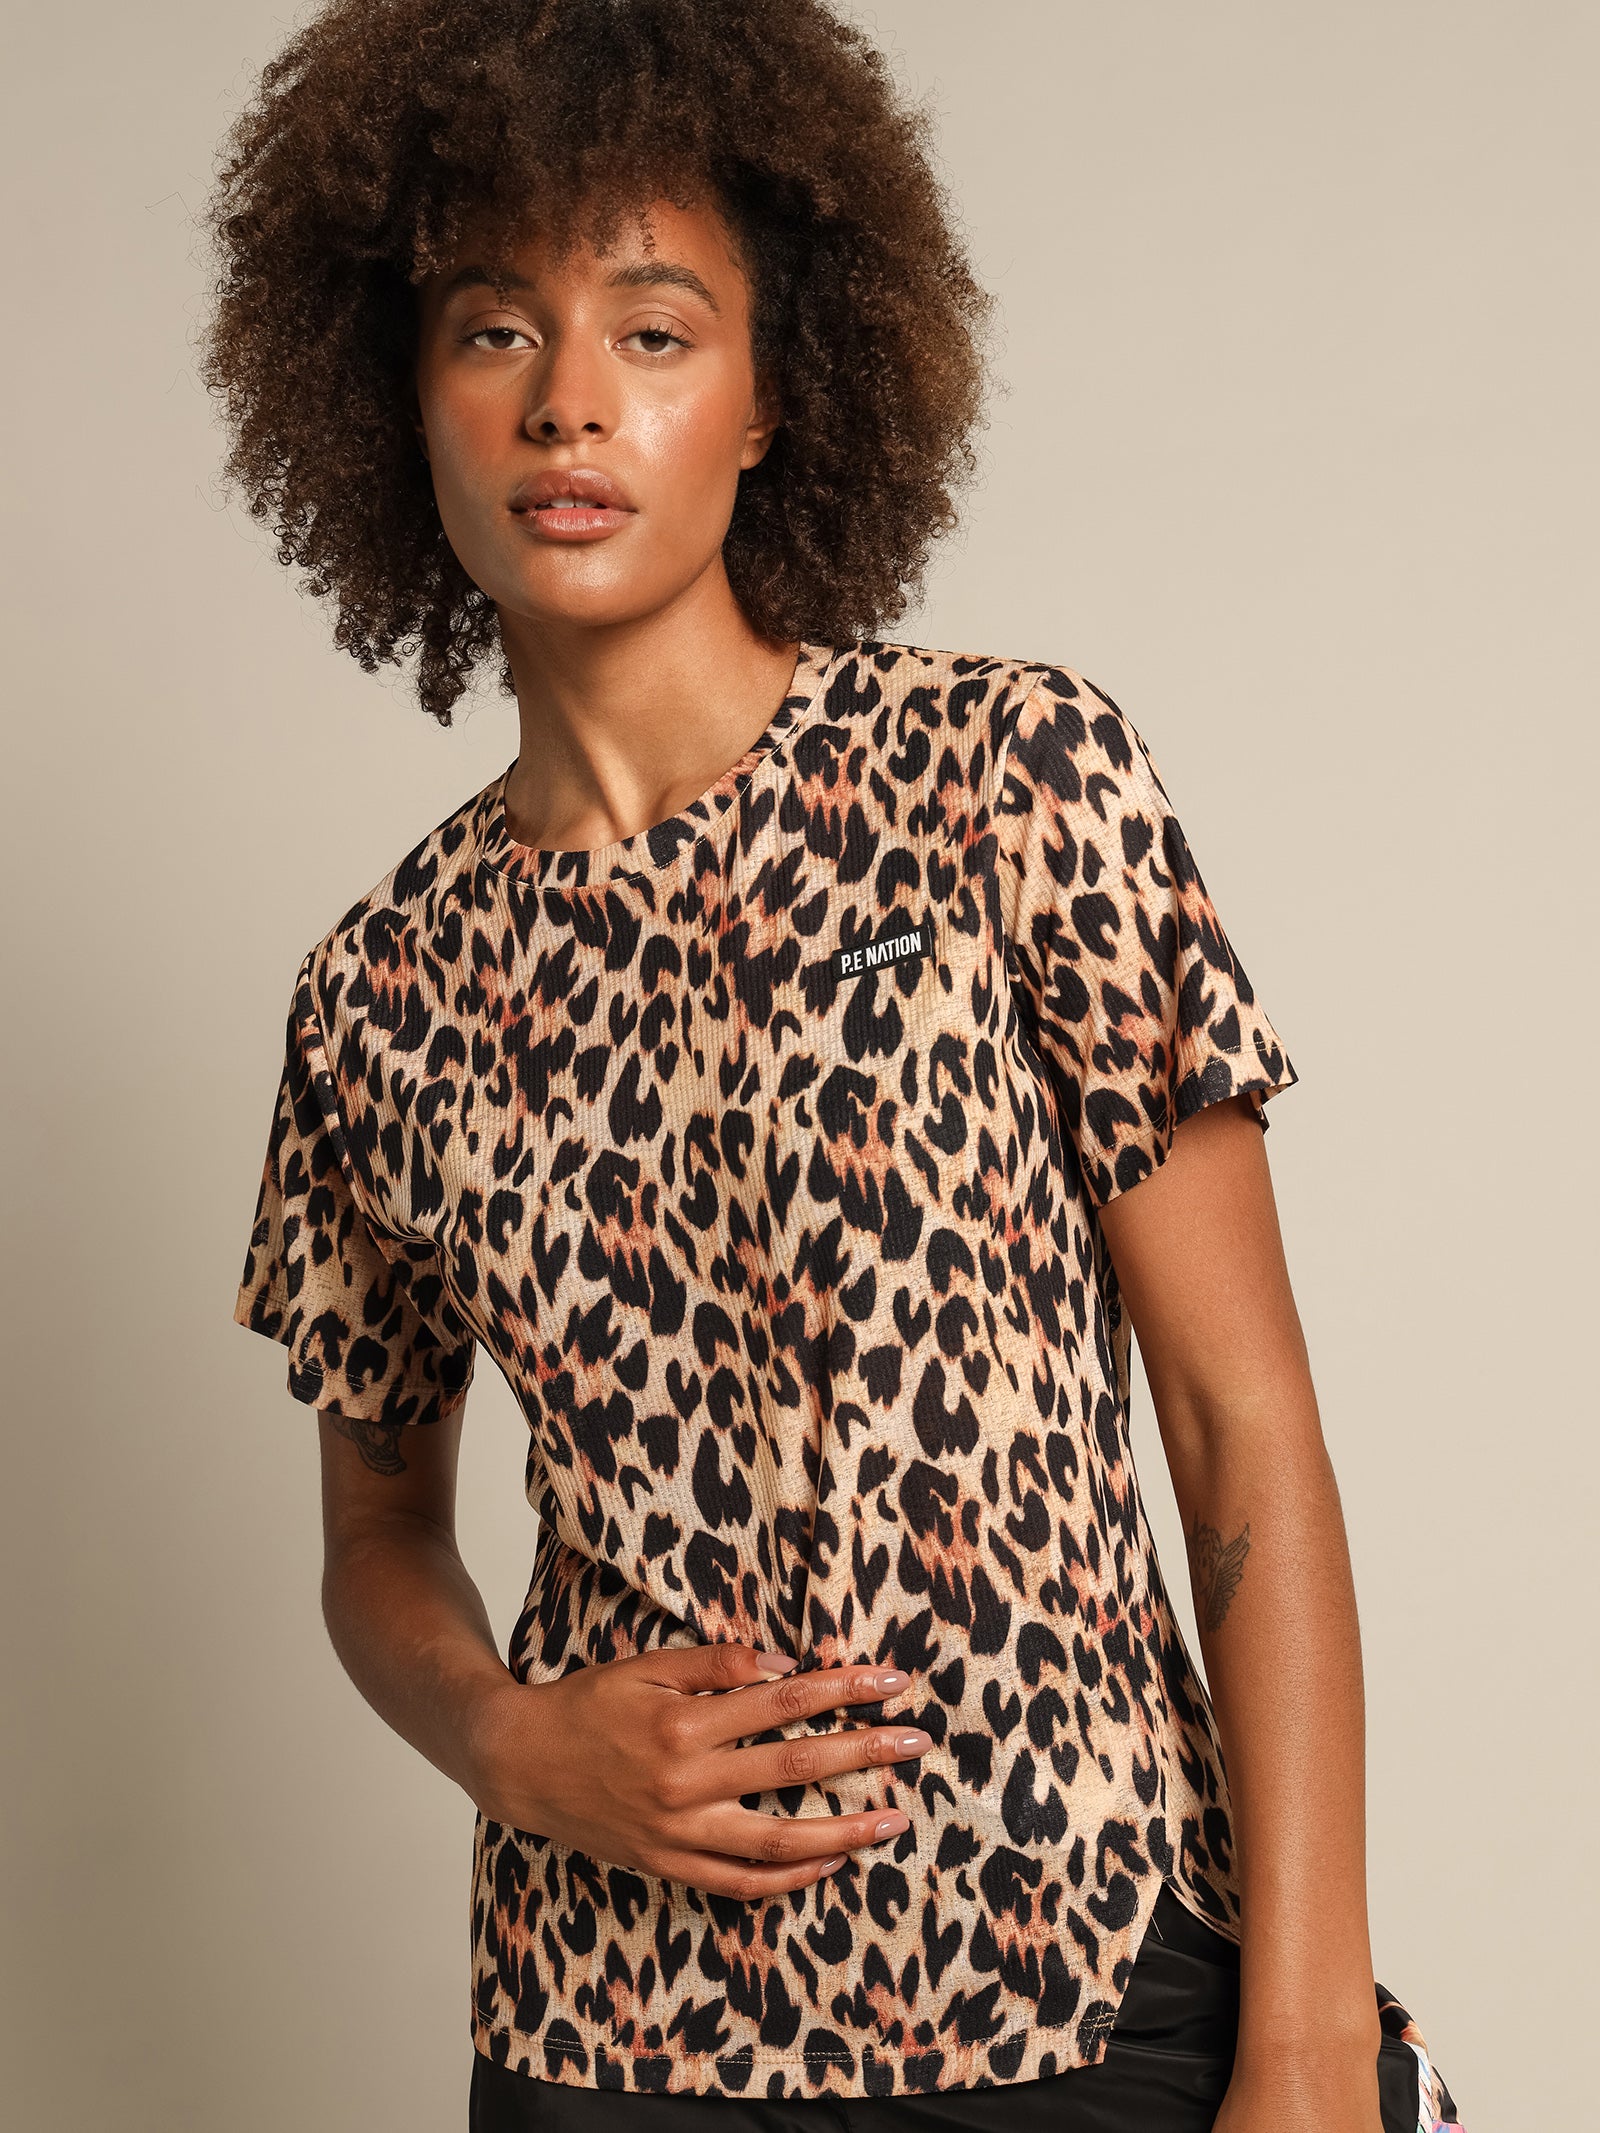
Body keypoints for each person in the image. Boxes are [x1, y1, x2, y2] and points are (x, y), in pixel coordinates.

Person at [207, 3, 1463, 2129]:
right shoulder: (379, 989)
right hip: (602, 2037)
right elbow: (377, 1532)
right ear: (401, 394)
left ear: (774, 393)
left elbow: (1239, 1426)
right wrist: (513, 1740)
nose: (569, 399)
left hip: (1071, 1976)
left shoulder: (1006, 779)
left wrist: (1311, 2037)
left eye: (654, 331)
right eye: (495, 331)